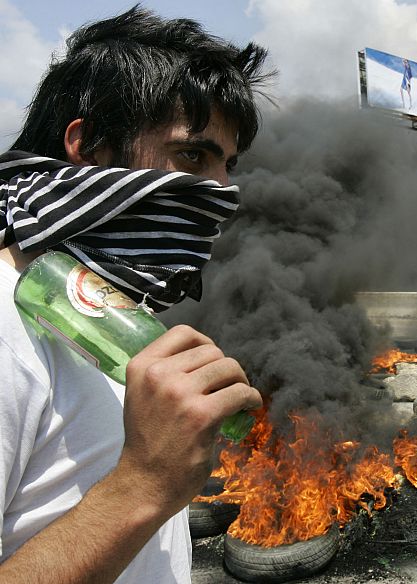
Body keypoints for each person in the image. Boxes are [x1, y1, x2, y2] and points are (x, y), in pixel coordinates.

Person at [0, 6, 274, 583]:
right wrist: (144, 484)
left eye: (228, 165)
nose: (222, 192)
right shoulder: (6, 330)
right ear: (89, 144)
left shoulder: (101, 300)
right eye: (192, 155)